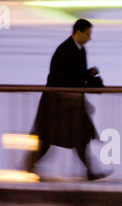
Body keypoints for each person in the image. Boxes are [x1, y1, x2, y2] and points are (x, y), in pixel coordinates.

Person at [25, 19, 111, 181]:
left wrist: (88, 75)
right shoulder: (64, 50)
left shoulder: (78, 50)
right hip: (57, 102)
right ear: (78, 32)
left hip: (68, 102)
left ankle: (89, 171)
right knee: (54, 138)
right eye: (87, 34)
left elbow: (73, 76)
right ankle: (29, 164)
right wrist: (88, 75)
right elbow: (66, 77)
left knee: (76, 137)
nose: (89, 38)